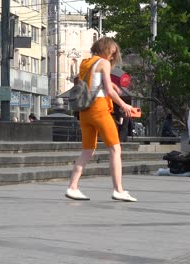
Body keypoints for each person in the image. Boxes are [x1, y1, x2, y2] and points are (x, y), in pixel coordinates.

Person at [65, 37, 137, 202]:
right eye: (112, 53)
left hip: (85, 112)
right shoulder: (103, 63)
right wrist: (124, 105)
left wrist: (111, 85)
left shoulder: (85, 63)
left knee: (87, 151)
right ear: (106, 50)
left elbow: (93, 83)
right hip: (99, 109)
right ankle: (118, 190)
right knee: (115, 149)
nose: (112, 58)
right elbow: (109, 93)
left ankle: (73, 187)